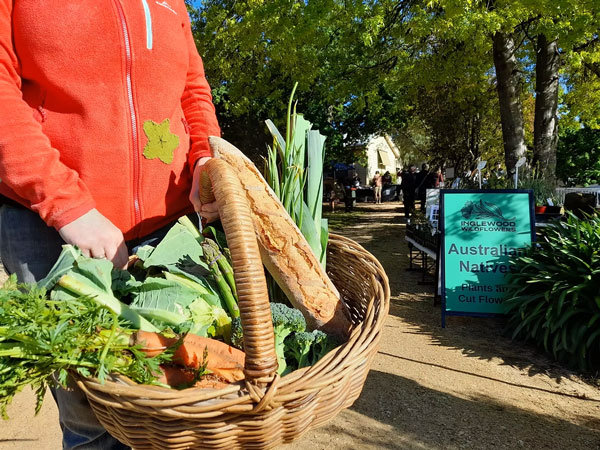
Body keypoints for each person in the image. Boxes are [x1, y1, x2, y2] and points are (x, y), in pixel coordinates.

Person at [0, 2, 220, 449]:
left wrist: (205, 156)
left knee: (183, 392)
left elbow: (192, 88)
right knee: (92, 413)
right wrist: (68, 207)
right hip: (51, 228)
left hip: (169, 228)